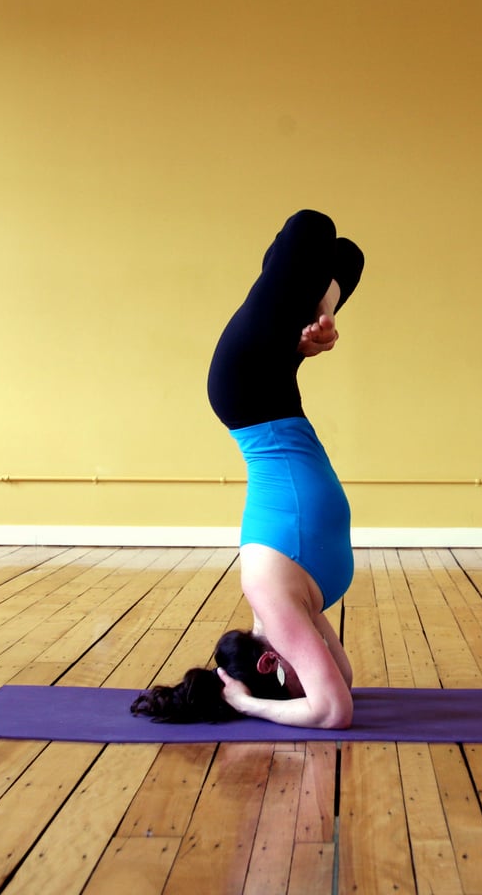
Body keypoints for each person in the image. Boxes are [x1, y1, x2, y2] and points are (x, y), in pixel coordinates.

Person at [131, 209, 364, 729]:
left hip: (246, 387)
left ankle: (306, 316)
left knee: (312, 228)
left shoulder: (273, 603)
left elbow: (332, 711)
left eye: (291, 680)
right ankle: (315, 322)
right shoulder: (294, 614)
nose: (314, 669)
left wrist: (247, 703)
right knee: (347, 258)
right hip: (272, 390)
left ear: (269, 664)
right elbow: (341, 684)